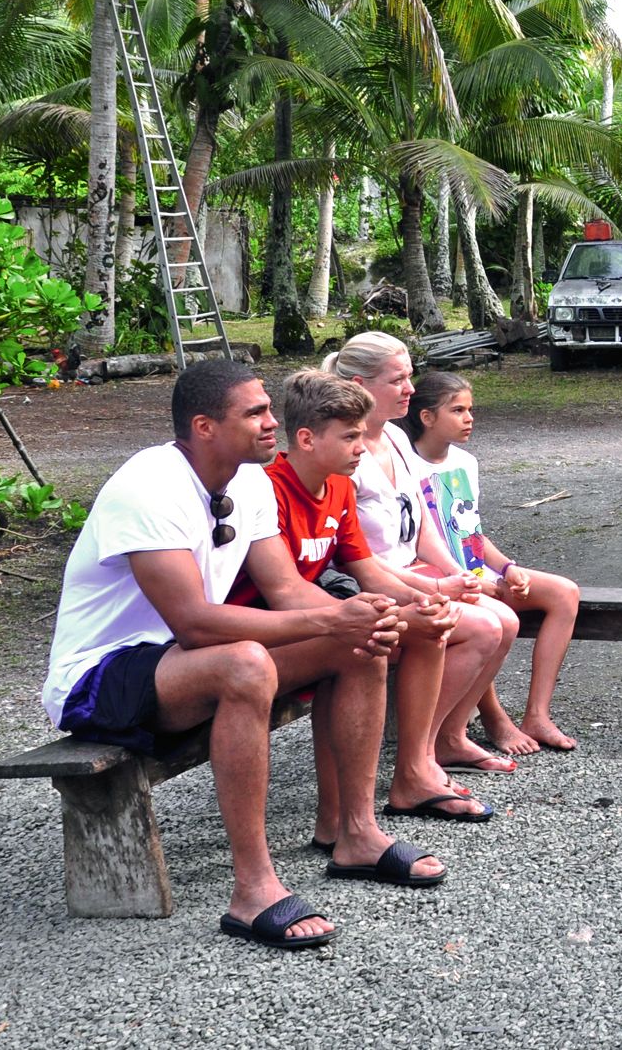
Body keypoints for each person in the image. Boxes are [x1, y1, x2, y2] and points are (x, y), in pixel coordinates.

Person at [42, 360, 419, 949]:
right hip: (99, 677)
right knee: (245, 663)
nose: (272, 423)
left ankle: (357, 834)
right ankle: (253, 889)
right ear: (205, 427)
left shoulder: (249, 482)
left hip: (179, 663)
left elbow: (287, 589)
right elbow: (193, 624)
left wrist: (359, 613)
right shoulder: (148, 487)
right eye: (256, 413)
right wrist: (330, 616)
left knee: (359, 643)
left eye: (268, 409)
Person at [226, 369, 472, 847]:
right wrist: (383, 616)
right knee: (365, 645)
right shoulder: (270, 489)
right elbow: (286, 593)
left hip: (312, 619)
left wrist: (425, 599)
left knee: (429, 627)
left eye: (362, 435)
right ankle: (338, 818)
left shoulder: (339, 484)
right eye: (350, 437)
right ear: (306, 439)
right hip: (267, 629)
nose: (362, 448)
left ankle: (414, 770)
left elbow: (368, 570)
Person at [325, 332, 519, 801]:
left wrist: (458, 574)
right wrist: (430, 588)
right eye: (399, 379)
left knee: (507, 620)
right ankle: (419, 756)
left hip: (412, 570)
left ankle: (448, 736)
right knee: (482, 627)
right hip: (373, 583)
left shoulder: (395, 436)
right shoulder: (345, 451)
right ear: (360, 386)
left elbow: (424, 523)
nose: (410, 389)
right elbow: (353, 556)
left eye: (410, 377)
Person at [402, 371, 584, 752]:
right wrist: (472, 582)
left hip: (475, 572)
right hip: (437, 581)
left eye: (470, 409)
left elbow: (472, 533)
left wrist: (507, 568)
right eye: (458, 410)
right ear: (427, 417)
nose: (469, 418)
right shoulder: (406, 466)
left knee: (564, 593)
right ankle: (493, 718)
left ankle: (537, 715)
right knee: (492, 620)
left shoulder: (465, 462)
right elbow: (413, 545)